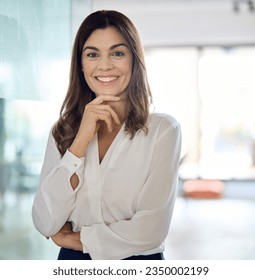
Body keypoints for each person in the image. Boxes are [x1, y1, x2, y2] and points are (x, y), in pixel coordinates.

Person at [32, 10, 181, 260]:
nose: (105, 65)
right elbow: (44, 220)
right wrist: (79, 142)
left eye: (117, 53)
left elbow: (151, 230)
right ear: (81, 64)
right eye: (92, 54)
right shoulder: (63, 131)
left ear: (134, 61)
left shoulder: (162, 131)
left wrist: (75, 240)